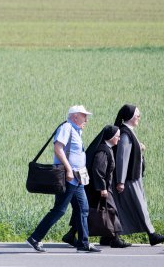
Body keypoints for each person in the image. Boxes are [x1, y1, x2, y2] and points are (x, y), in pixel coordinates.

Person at [27, 105, 100, 253]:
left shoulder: (76, 131)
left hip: (77, 178)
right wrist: (68, 169)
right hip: (69, 177)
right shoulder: (67, 128)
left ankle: (83, 243)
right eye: (84, 116)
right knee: (59, 210)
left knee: (82, 209)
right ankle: (35, 238)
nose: (86, 119)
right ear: (75, 116)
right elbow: (58, 148)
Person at [61, 125, 130, 248]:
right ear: (111, 137)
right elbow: (98, 170)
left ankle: (71, 235)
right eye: (117, 136)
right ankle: (115, 239)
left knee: (87, 212)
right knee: (111, 210)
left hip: (94, 188)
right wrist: (102, 188)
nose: (119, 139)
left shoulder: (106, 148)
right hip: (98, 188)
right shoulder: (103, 151)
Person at [113, 104, 164, 246]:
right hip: (129, 178)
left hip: (133, 177)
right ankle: (152, 234)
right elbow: (122, 158)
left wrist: (138, 146)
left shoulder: (128, 132)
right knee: (140, 206)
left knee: (124, 207)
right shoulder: (125, 133)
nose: (139, 118)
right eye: (137, 115)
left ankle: (111, 235)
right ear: (129, 117)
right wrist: (121, 181)